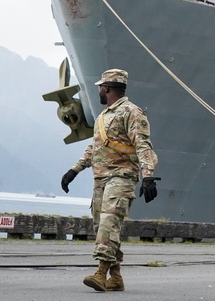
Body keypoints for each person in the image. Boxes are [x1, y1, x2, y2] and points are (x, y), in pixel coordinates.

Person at [60, 68, 158, 292]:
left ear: (107, 88)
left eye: (101, 88)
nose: (99, 92)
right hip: (101, 179)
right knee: (101, 226)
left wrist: (148, 177)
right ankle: (116, 276)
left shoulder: (132, 113)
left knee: (108, 224)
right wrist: (74, 171)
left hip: (122, 178)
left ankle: (100, 273)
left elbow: (143, 145)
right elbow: (94, 148)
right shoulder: (103, 117)